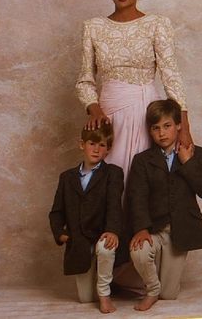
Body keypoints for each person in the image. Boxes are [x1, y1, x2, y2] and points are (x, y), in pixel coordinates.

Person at [76, 0, 193, 183]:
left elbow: (172, 78)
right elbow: (85, 80)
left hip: (146, 113)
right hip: (108, 113)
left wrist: (184, 127)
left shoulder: (156, 24)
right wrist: (94, 109)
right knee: (109, 184)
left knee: (142, 183)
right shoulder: (93, 27)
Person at [127, 99, 202, 311]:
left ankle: (161, 287)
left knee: (169, 295)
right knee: (139, 251)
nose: (161, 133)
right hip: (154, 228)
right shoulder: (142, 160)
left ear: (178, 126)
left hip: (181, 230)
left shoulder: (197, 154)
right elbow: (136, 196)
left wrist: (188, 163)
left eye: (167, 126)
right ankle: (151, 289)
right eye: (156, 128)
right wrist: (141, 228)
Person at [49, 123, 124, 314]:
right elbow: (56, 212)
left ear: (108, 149)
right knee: (85, 299)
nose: (96, 149)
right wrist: (61, 234)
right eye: (92, 143)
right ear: (82, 144)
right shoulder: (66, 177)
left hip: (101, 234)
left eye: (102, 145)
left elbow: (114, 205)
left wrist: (113, 230)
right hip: (78, 240)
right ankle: (101, 284)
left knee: (106, 247)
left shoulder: (113, 173)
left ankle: (105, 293)